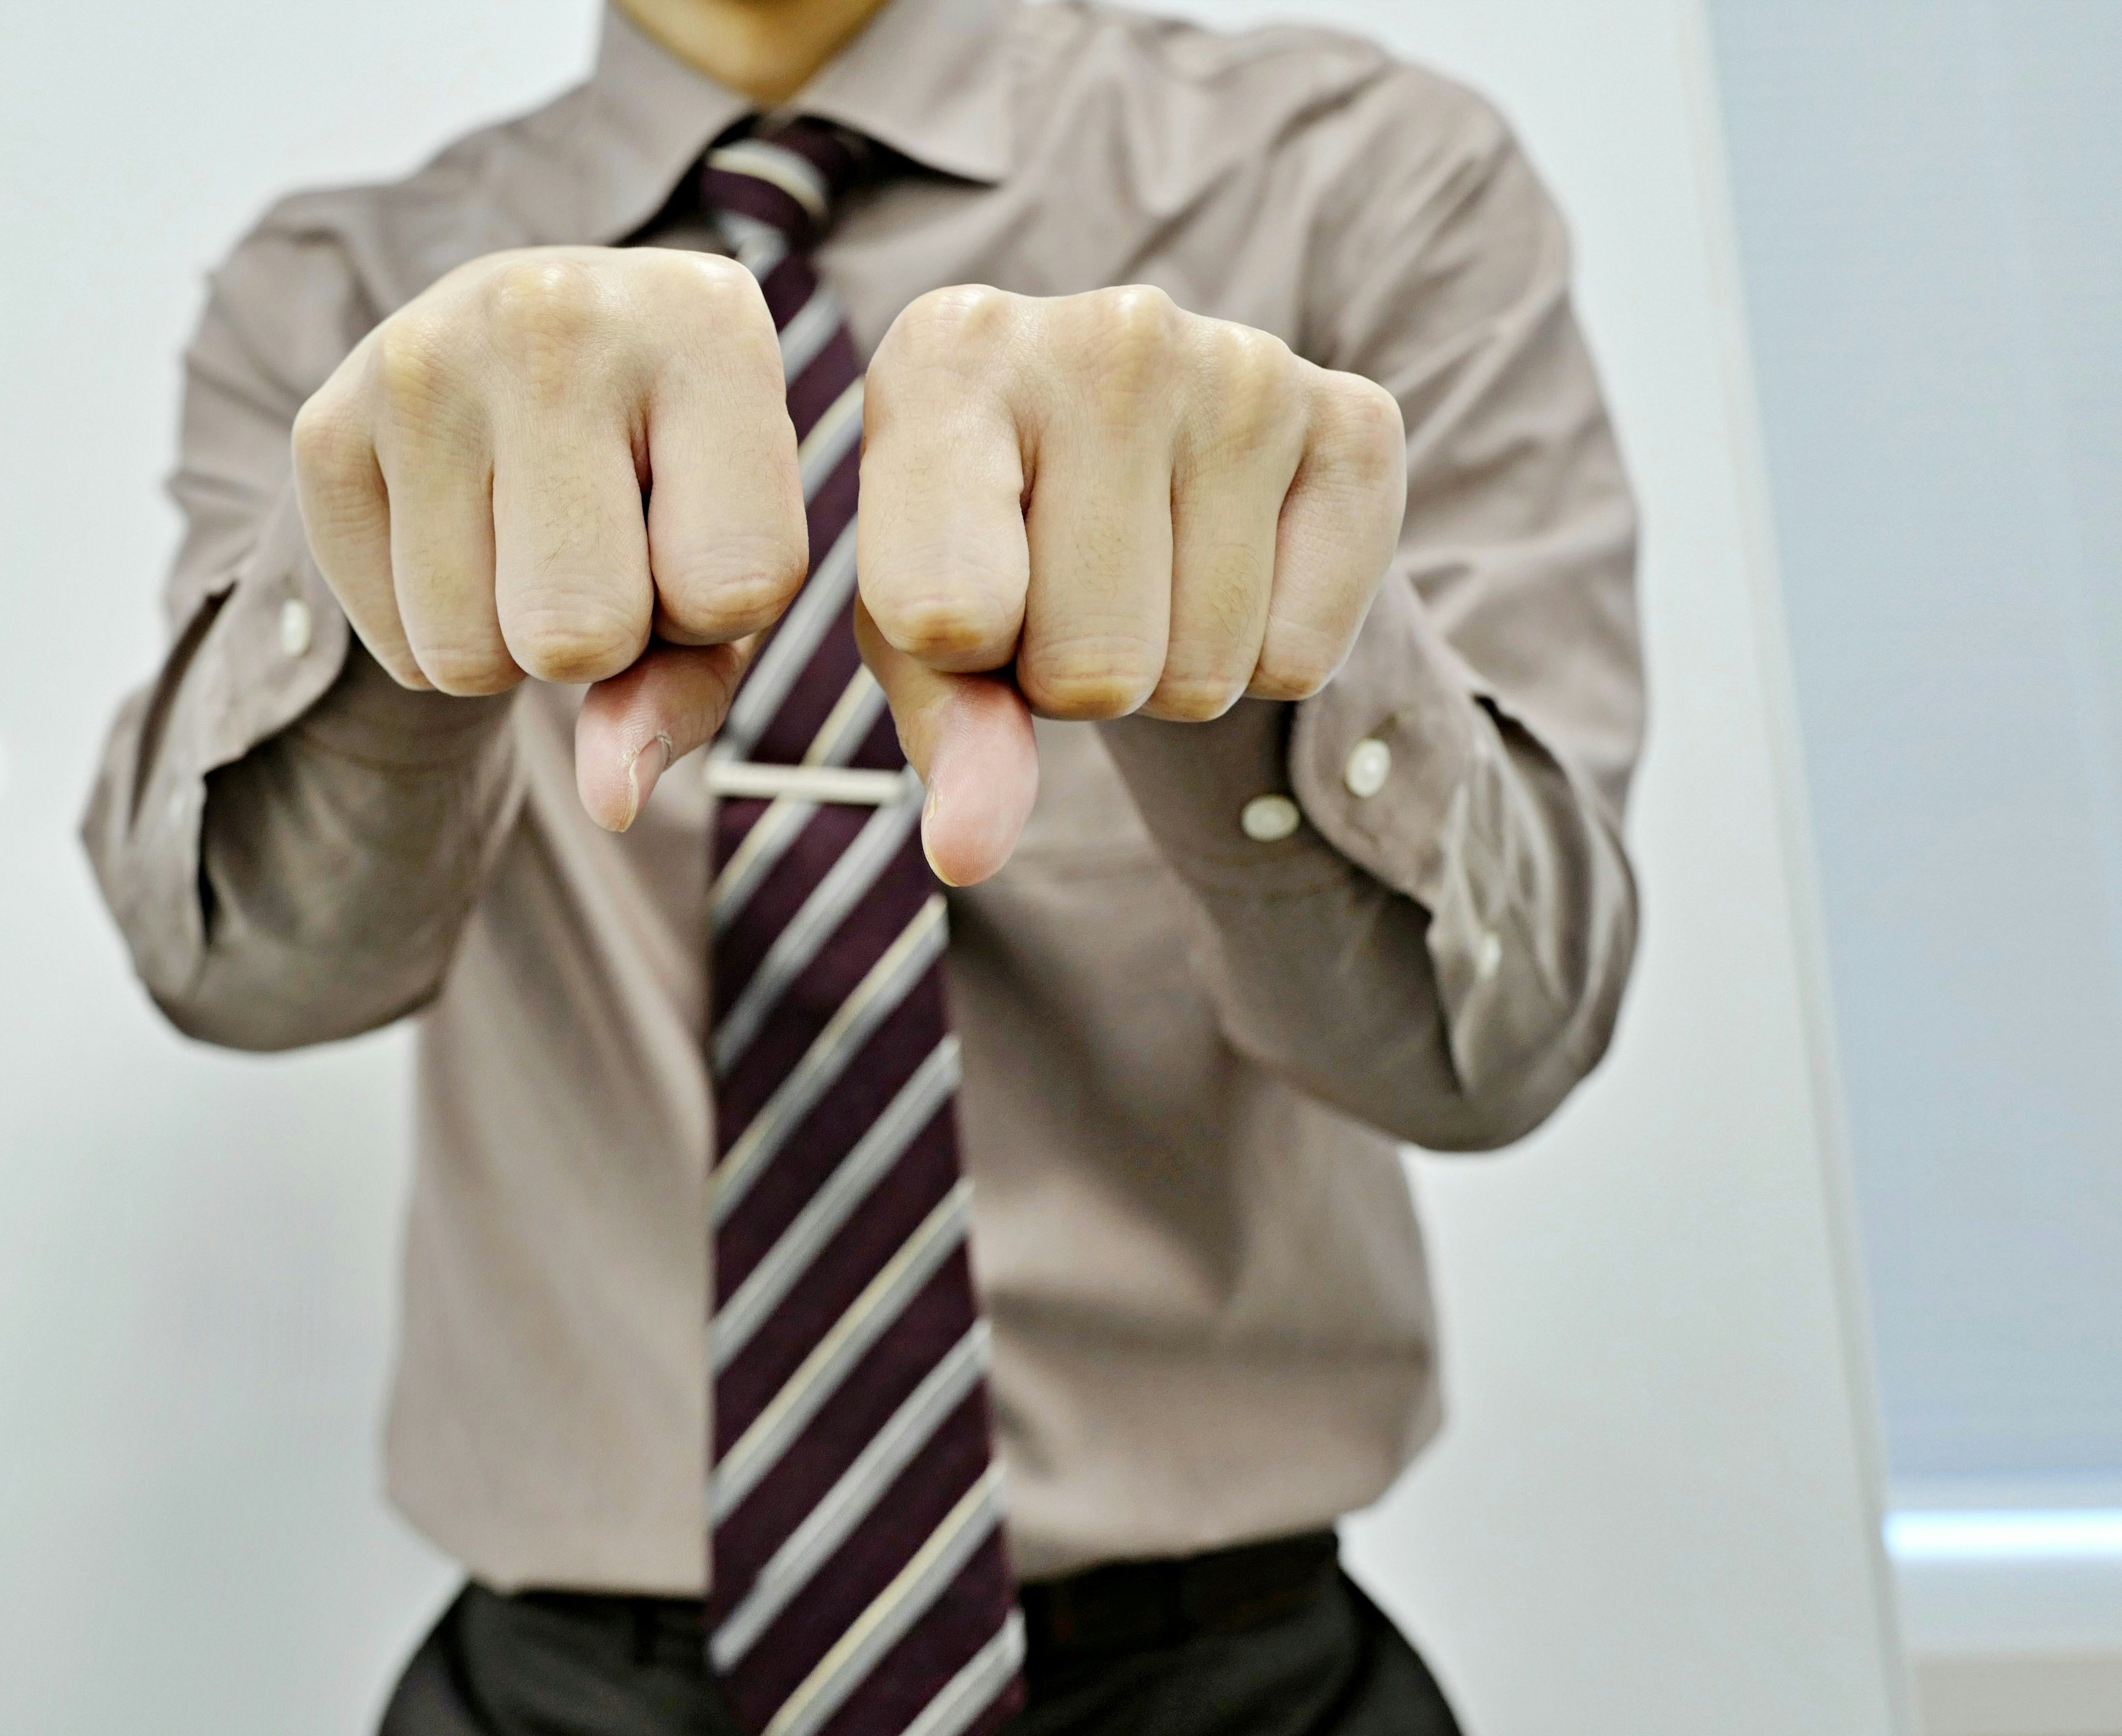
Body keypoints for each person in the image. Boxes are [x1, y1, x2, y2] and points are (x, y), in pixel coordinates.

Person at [82, 0, 1643, 1729]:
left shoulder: (1363, 184)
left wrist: (1262, 618)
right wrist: (384, 572)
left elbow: (1504, 1036)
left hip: (1229, 1676)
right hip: (566, 1686)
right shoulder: (333, 301)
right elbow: (247, 968)